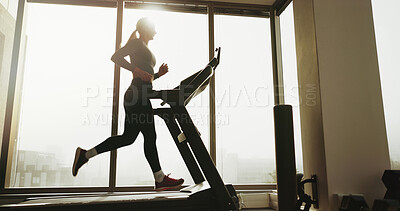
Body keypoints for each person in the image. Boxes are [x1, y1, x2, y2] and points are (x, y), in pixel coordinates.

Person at [72, 17, 184, 191]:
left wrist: (158, 74)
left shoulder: (144, 47)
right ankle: (160, 179)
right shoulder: (138, 43)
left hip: (140, 94)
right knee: (150, 136)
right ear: (145, 28)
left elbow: (147, 77)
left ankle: (85, 155)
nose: (156, 31)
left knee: (128, 138)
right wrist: (136, 69)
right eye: (153, 27)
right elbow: (115, 57)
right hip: (137, 94)